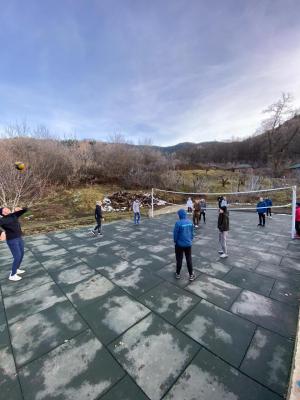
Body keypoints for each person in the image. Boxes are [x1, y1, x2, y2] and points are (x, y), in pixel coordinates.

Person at [0, 206, 28, 281]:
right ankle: (12, 275)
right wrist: (1, 232)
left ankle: (16, 269)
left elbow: (26, 210)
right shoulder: (2, 220)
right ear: (3, 213)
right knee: (17, 256)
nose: (7, 209)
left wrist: (21, 208)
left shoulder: (14, 215)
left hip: (19, 237)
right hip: (12, 240)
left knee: (21, 254)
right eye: (4, 209)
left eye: (7, 208)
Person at [173, 209, 195, 281]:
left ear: (180, 215)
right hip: (188, 244)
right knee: (189, 259)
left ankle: (178, 274)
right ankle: (191, 274)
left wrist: (175, 241)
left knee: (179, 259)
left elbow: (175, 235)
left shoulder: (178, 223)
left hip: (179, 245)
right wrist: (190, 240)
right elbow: (192, 233)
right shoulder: (190, 222)